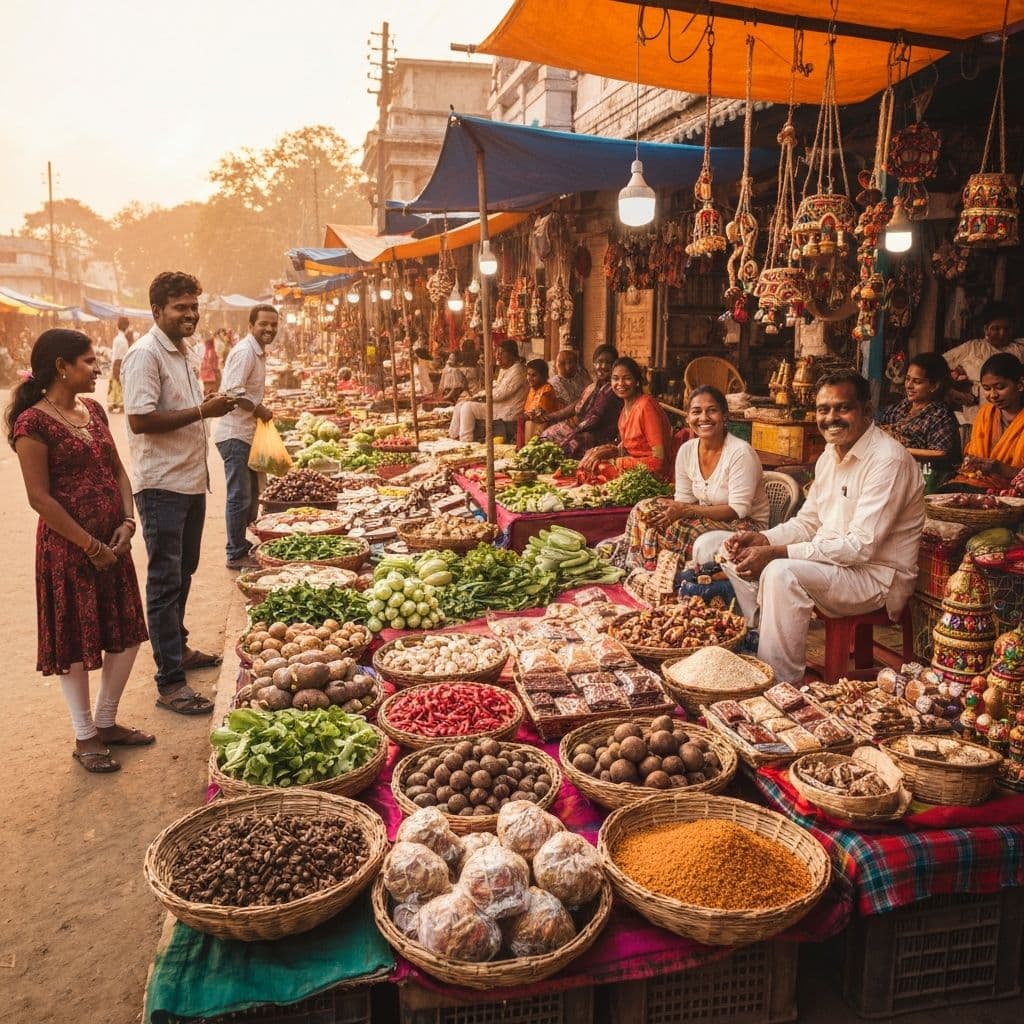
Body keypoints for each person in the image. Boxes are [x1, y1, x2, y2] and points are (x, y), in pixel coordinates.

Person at [693, 372, 924, 684]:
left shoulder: (887, 461)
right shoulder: (830, 454)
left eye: (842, 408)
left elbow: (860, 547)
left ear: (867, 411)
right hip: (833, 565)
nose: (831, 418)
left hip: (875, 577)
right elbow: (809, 522)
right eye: (823, 410)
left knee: (780, 572)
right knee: (716, 544)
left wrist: (776, 552)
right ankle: (758, 634)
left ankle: (779, 683)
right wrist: (763, 538)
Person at [6, 329, 151, 773]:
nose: (97, 368)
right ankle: (85, 732)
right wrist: (89, 546)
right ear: (61, 366)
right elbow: (39, 498)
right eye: (88, 361)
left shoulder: (93, 410)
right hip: (68, 550)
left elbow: (118, 472)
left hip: (114, 543)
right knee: (75, 643)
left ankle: (106, 721)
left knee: (125, 636)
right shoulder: (31, 422)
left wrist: (128, 522)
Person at [121, 271, 238, 715]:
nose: (190, 315)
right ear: (157, 311)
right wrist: (202, 411)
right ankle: (169, 681)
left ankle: (180, 647)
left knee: (184, 571)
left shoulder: (184, 351)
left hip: (190, 481)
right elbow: (139, 419)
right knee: (165, 581)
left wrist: (205, 405)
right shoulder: (144, 355)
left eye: (193, 307)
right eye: (180, 308)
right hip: (162, 486)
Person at [624, 386, 770, 569]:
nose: (703, 418)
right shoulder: (687, 450)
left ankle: (676, 576)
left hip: (746, 526)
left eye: (712, 411)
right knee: (644, 509)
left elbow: (737, 510)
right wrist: (672, 511)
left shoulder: (740, 452)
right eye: (696, 412)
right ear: (688, 418)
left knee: (684, 529)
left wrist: (684, 510)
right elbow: (683, 500)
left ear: (724, 416)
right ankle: (643, 570)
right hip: (703, 514)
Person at [215, 304, 278, 569]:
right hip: (234, 435)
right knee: (239, 495)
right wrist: (258, 407)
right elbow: (232, 391)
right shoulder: (245, 352)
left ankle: (244, 543)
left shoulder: (257, 352)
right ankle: (235, 552)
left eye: (274, 325)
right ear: (251, 325)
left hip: (247, 434)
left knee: (252, 495)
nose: (269, 329)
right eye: (264, 324)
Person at [579, 357, 673, 478]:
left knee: (598, 469)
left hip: (655, 476)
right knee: (590, 463)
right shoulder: (625, 410)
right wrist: (602, 452)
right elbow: (629, 448)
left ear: (637, 381)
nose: (620, 384)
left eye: (627, 378)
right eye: (615, 378)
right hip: (636, 471)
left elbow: (658, 460)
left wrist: (615, 463)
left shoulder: (646, 406)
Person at [944, 353, 1024, 492]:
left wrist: (1001, 469)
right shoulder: (985, 413)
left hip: (1014, 493)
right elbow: (972, 454)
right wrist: (972, 463)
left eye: (1000, 387)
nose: (993, 395)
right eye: (987, 389)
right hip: (977, 484)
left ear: (1020, 384)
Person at [877, 352, 962, 473]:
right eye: (907, 379)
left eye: (917, 382)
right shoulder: (900, 407)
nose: (909, 386)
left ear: (934, 386)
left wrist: (900, 450)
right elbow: (877, 431)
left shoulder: (940, 416)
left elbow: (942, 452)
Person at [943, 302, 1024, 424]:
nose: (1002, 333)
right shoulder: (972, 348)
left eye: (1007, 329)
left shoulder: (1020, 348)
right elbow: (937, 365)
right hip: (975, 416)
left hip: (1012, 416)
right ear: (986, 329)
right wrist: (957, 386)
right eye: (996, 329)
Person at [539, 345, 623, 457]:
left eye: (608, 362)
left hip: (596, 435)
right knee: (544, 437)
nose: (602, 366)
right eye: (599, 362)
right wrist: (550, 417)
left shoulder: (614, 389)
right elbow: (577, 405)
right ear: (593, 363)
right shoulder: (593, 386)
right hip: (580, 428)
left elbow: (593, 420)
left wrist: (572, 432)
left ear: (615, 365)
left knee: (565, 445)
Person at [448, 338, 527, 443]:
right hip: (498, 404)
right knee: (460, 405)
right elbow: (496, 387)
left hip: (507, 410)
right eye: (497, 353)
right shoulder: (506, 369)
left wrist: (479, 397)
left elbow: (500, 394)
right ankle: (453, 436)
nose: (497, 357)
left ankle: (465, 441)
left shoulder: (518, 371)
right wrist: (478, 395)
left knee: (468, 407)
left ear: (512, 354)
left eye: (501, 354)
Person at [521, 358, 561, 443]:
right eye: (528, 374)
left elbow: (539, 415)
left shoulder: (547, 390)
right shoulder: (533, 388)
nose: (530, 378)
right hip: (534, 424)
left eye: (534, 375)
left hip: (545, 426)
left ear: (544, 376)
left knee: (529, 423)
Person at [107, 316, 131, 413]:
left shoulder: (116, 339)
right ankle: (120, 404)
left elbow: (114, 354)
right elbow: (124, 355)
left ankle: (112, 404)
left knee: (114, 384)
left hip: (115, 363)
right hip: (121, 363)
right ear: (127, 327)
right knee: (120, 384)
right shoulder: (124, 340)